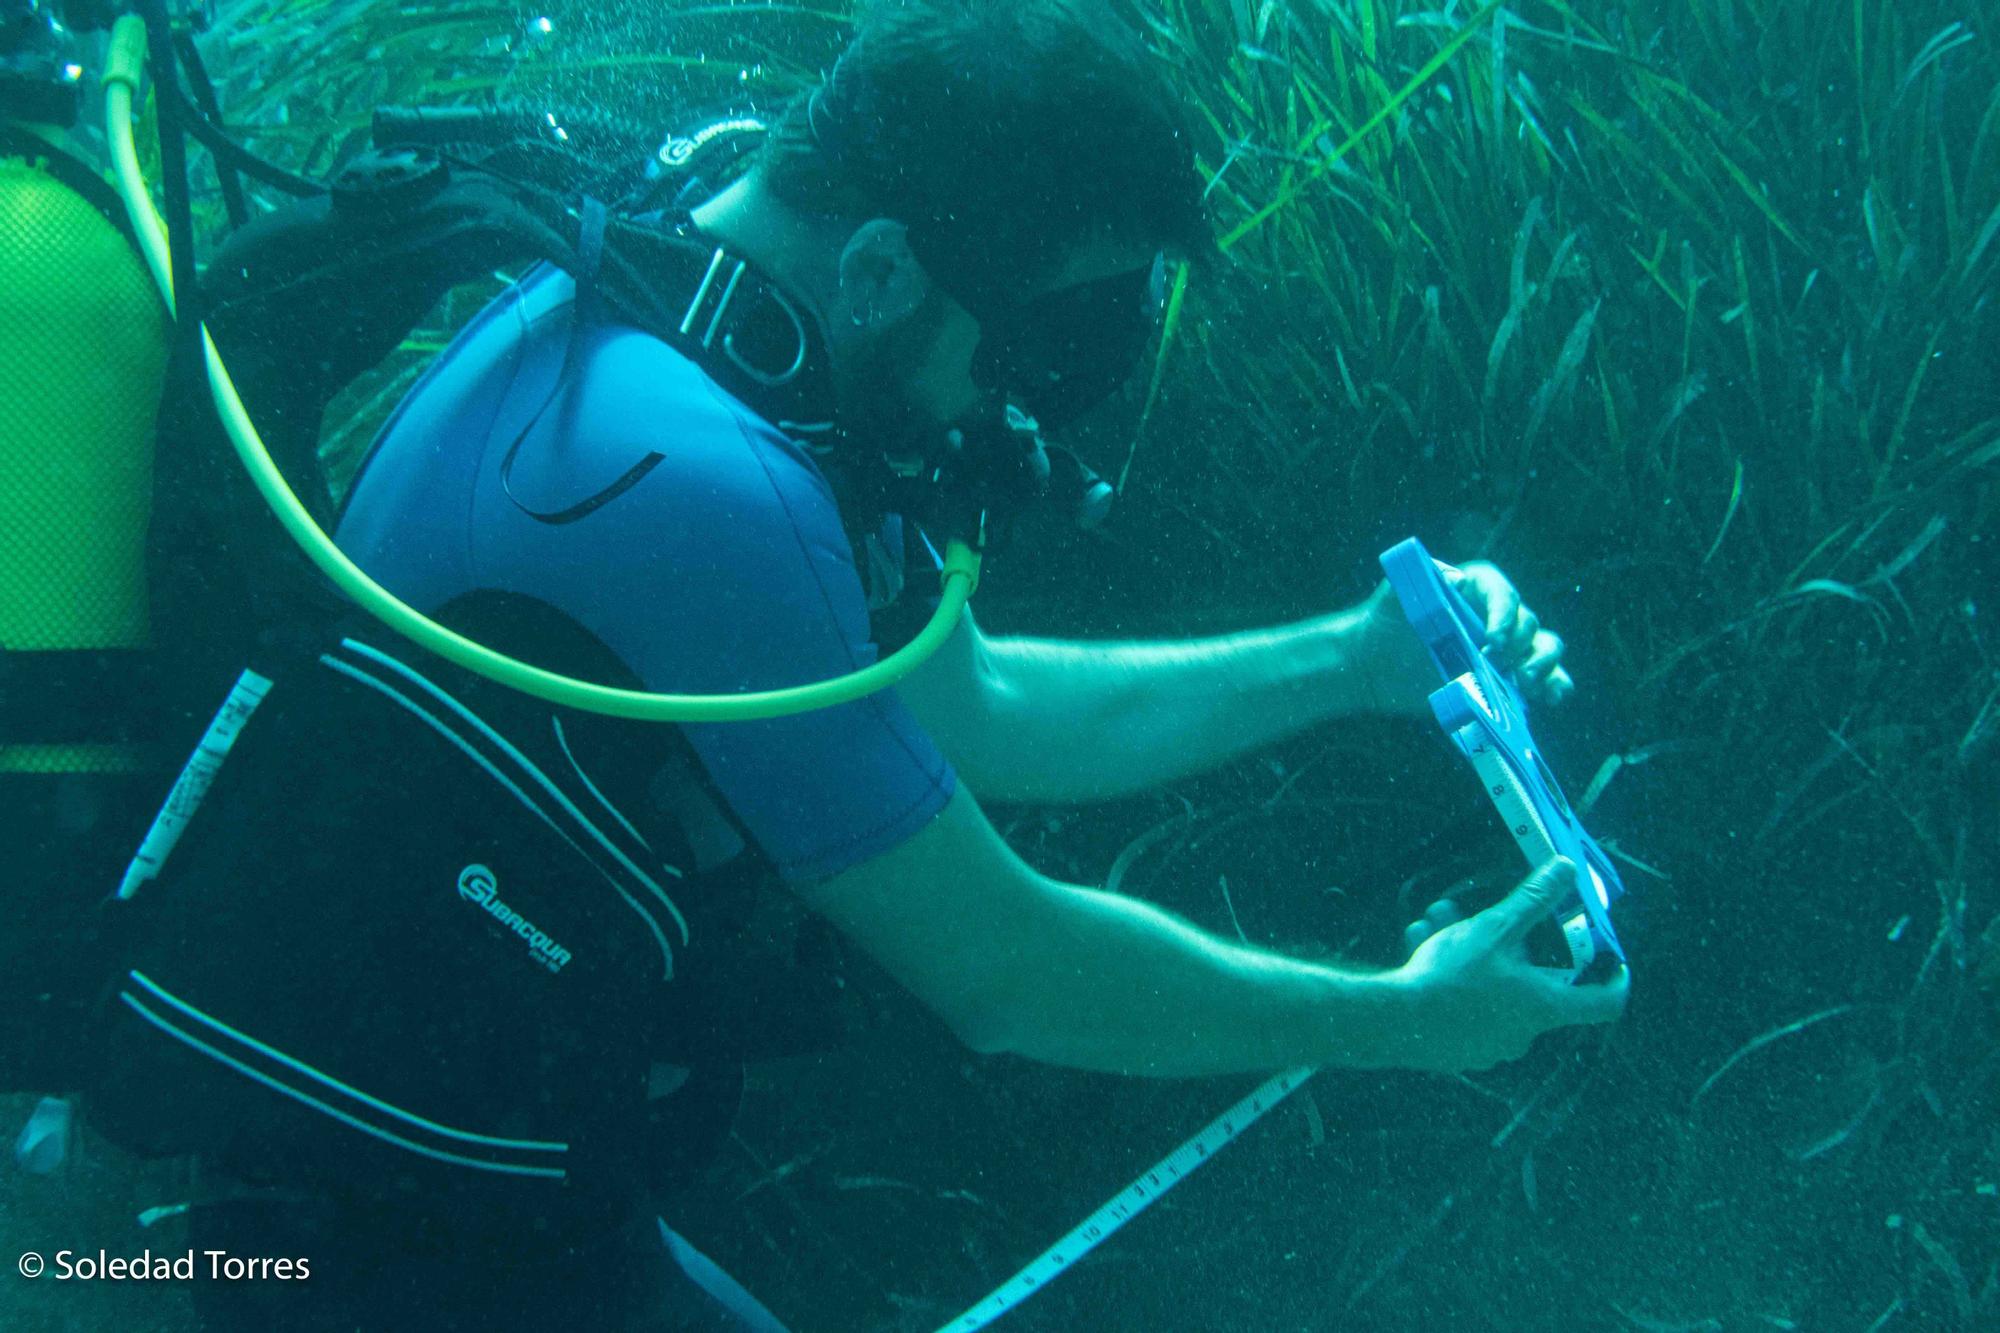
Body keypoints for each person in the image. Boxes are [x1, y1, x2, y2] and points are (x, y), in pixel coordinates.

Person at [84, 1, 1628, 1329]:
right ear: (885, 267)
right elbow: (1007, 971)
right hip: (341, 1248)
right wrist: (1405, 1015)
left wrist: (1359, 657)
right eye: (1032, 358)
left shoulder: (693, 307)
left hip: (422, 1183)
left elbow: (978, 709)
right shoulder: (694, 490)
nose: (1016, 422)